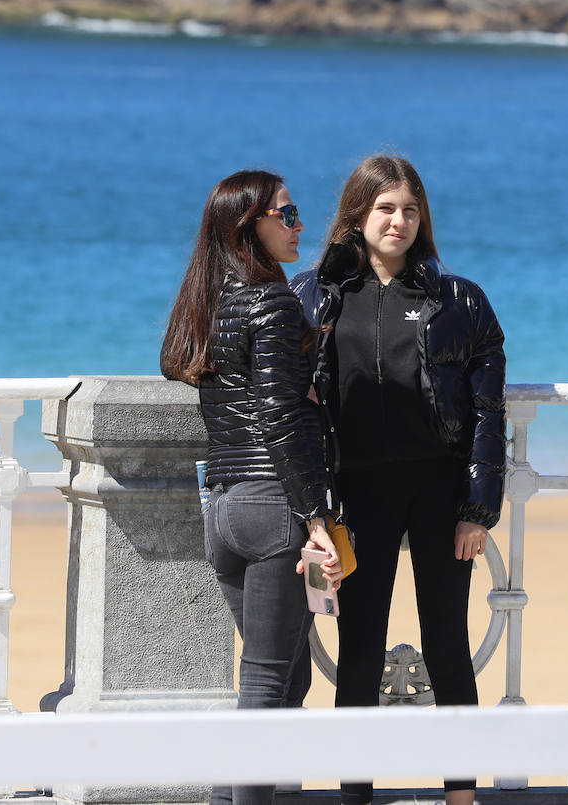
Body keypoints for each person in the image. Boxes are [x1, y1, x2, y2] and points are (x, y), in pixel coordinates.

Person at [290, 154, 505, 805]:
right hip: (358, 493)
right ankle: (356, 792)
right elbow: (291, 401)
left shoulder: (458, 300)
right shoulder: (316, 294)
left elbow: (487, 415)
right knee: (360, 644)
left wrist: (477, 509)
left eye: (410, 209)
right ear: (357, 213)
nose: (399, 220)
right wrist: (312, 510)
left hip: (438, 491)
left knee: (447, 640)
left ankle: (462, 794)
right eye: (386, 207)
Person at [160, 169, 342, 805]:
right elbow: (279, 417)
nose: (298, 226)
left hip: (225, 507)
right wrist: (317, 520)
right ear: (250, 228)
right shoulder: (273, 299)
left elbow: (213, 379)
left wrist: (301, 382)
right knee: (266, 684)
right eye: (286, 215)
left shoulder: (211, 302)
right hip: (275, 508)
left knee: (285, 679)